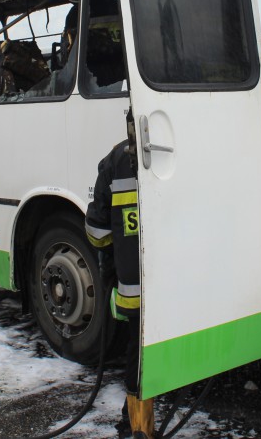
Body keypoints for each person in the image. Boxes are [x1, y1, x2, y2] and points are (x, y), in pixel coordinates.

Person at [85, 136, 152, 439]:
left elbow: (98, 231)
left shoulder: (115, 160)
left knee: (138, 351)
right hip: (176, 284)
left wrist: (116, 257)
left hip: (135, 286)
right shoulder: (181, 147)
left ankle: (137, 426)